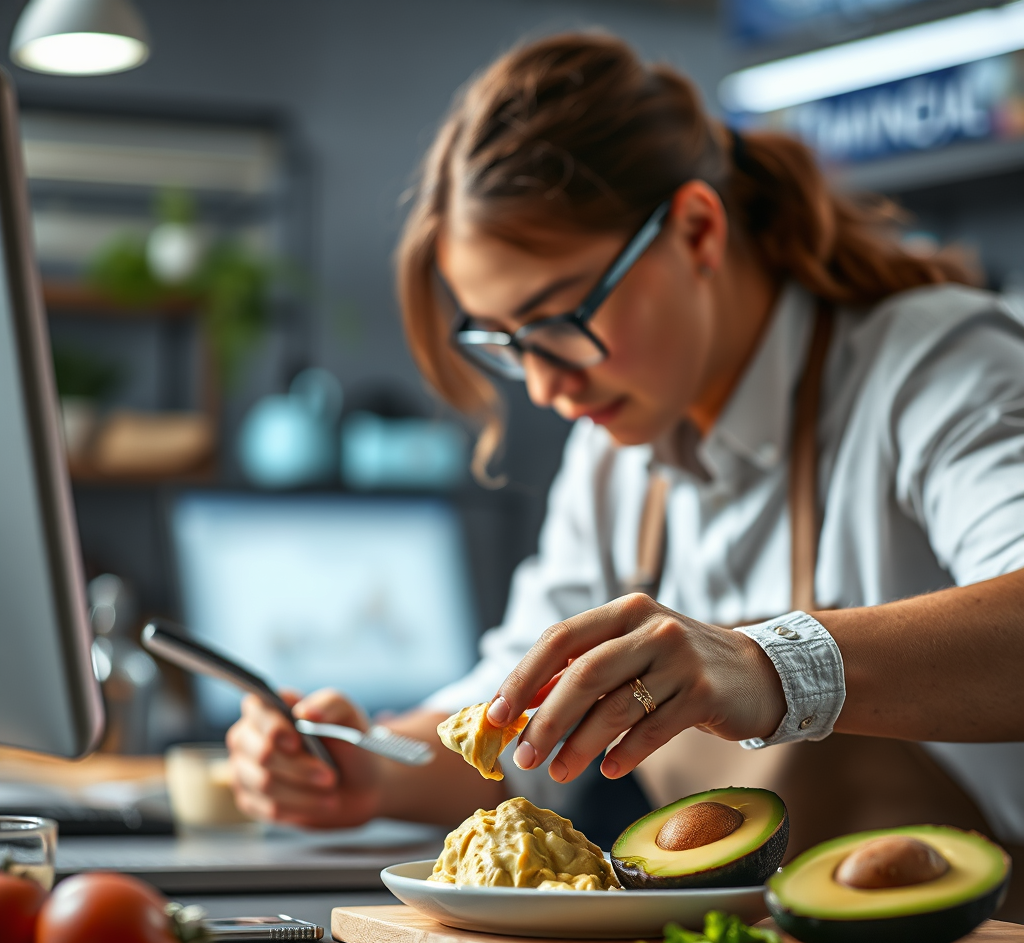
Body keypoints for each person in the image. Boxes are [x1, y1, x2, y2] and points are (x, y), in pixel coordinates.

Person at [226, 34, 1024, 871]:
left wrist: (767, 667)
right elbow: (514, 715)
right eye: (509, 343)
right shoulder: (617, 456)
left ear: (696, 231)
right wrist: (366, 767)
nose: (541, 385)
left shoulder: (936, 364)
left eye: (561, 320)